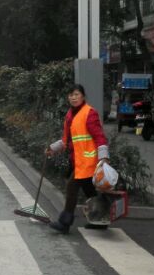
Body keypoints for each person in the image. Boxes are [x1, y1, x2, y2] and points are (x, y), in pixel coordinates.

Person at [46, 84, 110, 234]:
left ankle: (64, 223)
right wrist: (52, 148)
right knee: (90, 192)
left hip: (89, 162)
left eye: (76, 94)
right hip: (78, 161)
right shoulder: (70, 115)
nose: (73, 98)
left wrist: (104, 157)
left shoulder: (89, 113)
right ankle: (100, 220)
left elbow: (99, 136)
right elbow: (66, 140)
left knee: (71, 187)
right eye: (71, 95)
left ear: (83, 96)